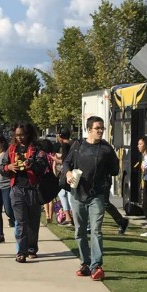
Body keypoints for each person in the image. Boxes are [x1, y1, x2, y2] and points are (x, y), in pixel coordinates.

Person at [63, 116, 119, 281]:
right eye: (97, 128)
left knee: (96, 230)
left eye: (102, 128)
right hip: (77, 194)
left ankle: (96, 266)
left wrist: (109, 167)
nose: (100, 131)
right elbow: (67, 164)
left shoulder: (106, 149)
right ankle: (85, 263)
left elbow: (115, 170)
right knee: (79, 231)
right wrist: (67, 174)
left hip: (97, 196)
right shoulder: (78, 146)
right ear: (89, 129)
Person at [1, 122, 46, 263]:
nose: (19, 138)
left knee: (33, 223)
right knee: (20, 222)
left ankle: (32, 249)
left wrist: (31, 164)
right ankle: (21, 252)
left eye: (22, 135)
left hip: (33, 189)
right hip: (17, 189)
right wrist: (8, 167)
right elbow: (1, 167)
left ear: (29, 134)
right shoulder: (11, 149)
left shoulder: (37, 149)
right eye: (17, 135)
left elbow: (43, 166)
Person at [52, 127, 73, 226]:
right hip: (71, 172)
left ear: (60, 136)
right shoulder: (73, 144)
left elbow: (65, 162)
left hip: (67, 173)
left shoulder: (64, 145)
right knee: (63, 194)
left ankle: (71, 217)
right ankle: (69, 216)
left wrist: (55, 159)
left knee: (68, 196)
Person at [38, 139, 55, 224]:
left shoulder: (42, 154)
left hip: (44, 175)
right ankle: (51, 217)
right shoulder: (52, 155)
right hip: (51, 175)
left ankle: (47, 215)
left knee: (44, 196)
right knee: (51, 198)